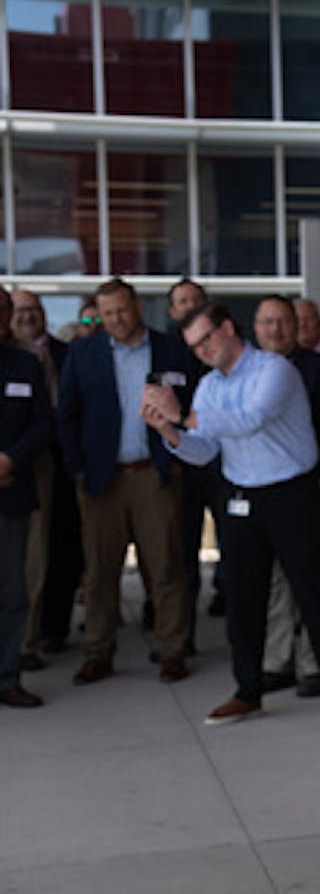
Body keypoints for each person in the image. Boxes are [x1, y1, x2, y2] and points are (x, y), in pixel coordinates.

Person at [142, 302, 320, 725]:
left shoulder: (274, 370)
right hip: (242, 494)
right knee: (244, 599)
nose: (201, 350)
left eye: (206, 338)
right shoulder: (208, 386)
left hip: (291, 492)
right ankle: (248, 691)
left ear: (227, 329)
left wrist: (182, 415)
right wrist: (169, 431)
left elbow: (250, 419)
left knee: (312, 589)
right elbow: (205, 449)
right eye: (194, 345)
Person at [57, 278, 194, 685]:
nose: (116, 319)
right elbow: (67, 415)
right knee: (100, 572)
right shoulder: (83, 353)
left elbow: (192, 404)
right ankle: (98, 652)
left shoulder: (171, 349)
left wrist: (178, 456)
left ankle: (172, 649)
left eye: (122, 309)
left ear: (137, 306)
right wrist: (77, 468)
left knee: (166, 566)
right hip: (102, 480)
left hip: (154, 474)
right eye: (108, 313)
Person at [251, 295, 320, 696]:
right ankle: (277, 662)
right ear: (256, 327)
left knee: (317, 579)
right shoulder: (249, 372)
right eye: (268, 323)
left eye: (284, 322)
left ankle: (317, 664)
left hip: (313, 491)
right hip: (264, 494)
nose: (276, 330)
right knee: (277, 581)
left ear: (297, 327)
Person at [10, 290, 77, 670]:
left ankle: (31, 639)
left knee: (43, 552)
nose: (26, 316)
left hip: (46, 461)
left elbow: (51, 416)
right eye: (20, 310)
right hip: (13, 463)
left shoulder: (59, 354)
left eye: (33, 309)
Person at [0, 288, 52, 708]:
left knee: (13, 593)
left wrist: (10, 459)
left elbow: (42, 425)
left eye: (3, 311)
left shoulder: (26, 364)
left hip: (11, 491)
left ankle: (7, 676)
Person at [167, 277, 224, 636]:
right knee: (182, 547)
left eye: (195, 300)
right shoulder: (165, 351)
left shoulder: (223, 350)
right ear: (173, 312)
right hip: (182, 463)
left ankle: (229, 600)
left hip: (223, 461)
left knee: (232, 541)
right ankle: (182, 633)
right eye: (182, 302)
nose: (189, 306)